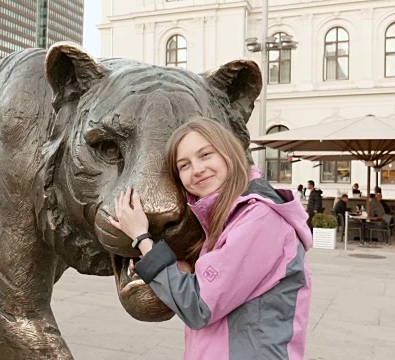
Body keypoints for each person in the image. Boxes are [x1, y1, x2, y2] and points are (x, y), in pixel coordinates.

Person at [108, 118, 312, 360]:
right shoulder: (230, 220)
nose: (197, 169)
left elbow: (198, 306)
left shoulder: (261, 220)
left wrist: (141, 237)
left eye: (205, 155)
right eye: (184, 165)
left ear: (229, 152)